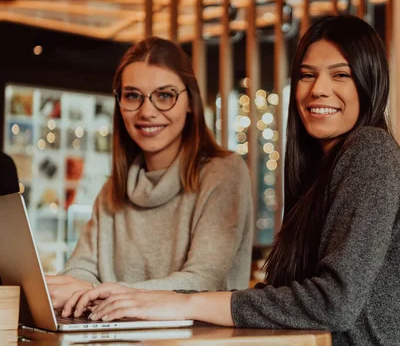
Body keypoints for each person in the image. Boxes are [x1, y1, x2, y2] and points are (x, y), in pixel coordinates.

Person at [62, 15, 400, 345]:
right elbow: (297, 301)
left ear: (370, 82)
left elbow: (332, 303)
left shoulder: (370, 151)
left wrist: (181, 302)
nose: (318, 89)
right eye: (307, 75)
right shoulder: (322, 171)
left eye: (340, 74)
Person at [47, 37, 254, 309]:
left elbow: (203, 281)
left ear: (191, 102)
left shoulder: (223, 173)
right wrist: (81, 288)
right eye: (132, 95)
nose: (147, 111)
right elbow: (80, 270)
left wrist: (95, 293)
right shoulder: (114, 190)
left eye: (165, 95)